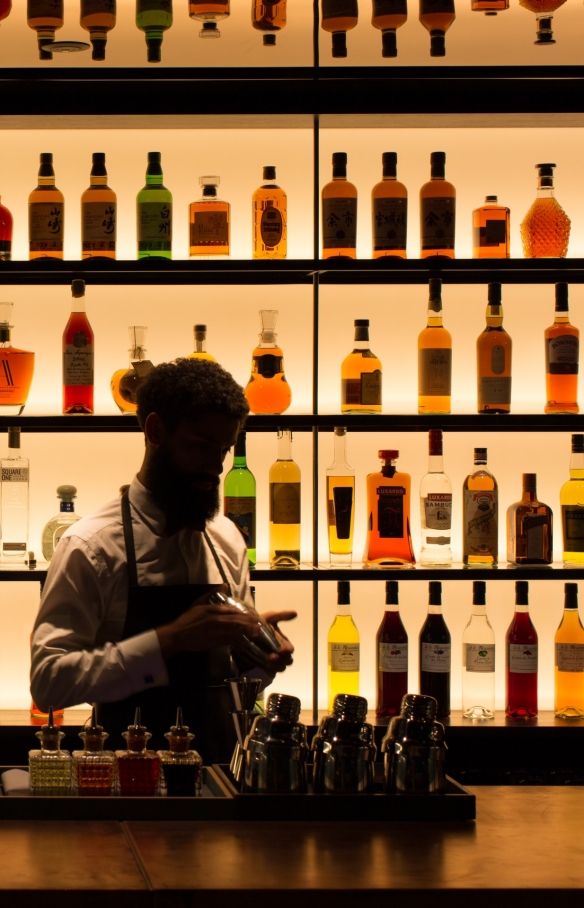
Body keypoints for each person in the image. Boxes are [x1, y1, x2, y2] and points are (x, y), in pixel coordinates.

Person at [30, 358, 296, 762]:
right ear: (155, 431)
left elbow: (230, 685)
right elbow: (49, 682)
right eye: (201, 447)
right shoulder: (91, 546)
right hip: (128, 779)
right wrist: (171, 639)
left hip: (220, 775)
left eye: (224, 450)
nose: (216, 468)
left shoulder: (226, 538)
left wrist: (259, 659)